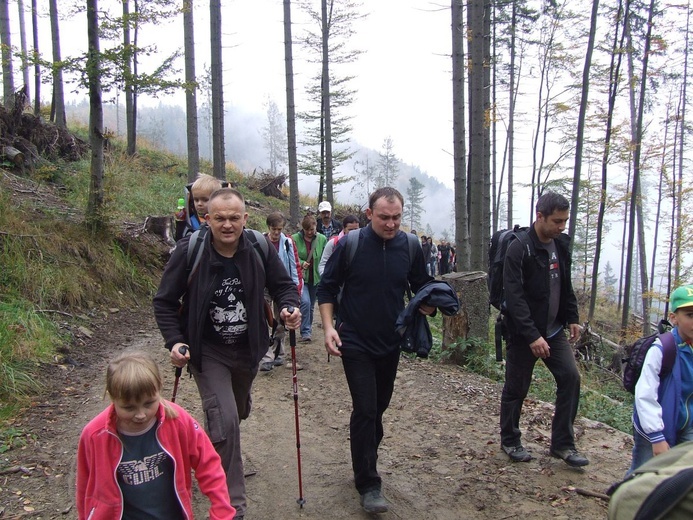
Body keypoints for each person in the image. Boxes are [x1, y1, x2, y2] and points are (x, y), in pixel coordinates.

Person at [153, 187, 301, 519]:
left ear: (245, 219)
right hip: (208, 351)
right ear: (207, 219)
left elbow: (283, 286)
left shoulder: (258, 248)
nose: (227, 225)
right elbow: (164, 301)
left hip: (248, 350)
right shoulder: (190, 250)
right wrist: (175, 341)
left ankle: (221, 431)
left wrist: (289, 307)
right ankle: (232, 505)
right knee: (226, 420)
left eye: (234, 218)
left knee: (237, 410)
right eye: (219, 218)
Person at [317, 187, 434, 514]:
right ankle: (368, 482)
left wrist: (430, 305)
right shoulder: (351, 245)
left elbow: (421, 286)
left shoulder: (410, 247)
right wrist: (328, 328)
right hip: (354, 340)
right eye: (384, 217)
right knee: (366, 409)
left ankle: (363, 456)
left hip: (390, 342)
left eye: (397, 217)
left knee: (378, 408)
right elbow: (326, 288)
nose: (392, 223)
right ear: (369, 214)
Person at [76, 350, 236, 520]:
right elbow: (85, 486)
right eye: (129, 408)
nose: (141, 415)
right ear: (112, 398)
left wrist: (222, 510)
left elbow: (209, 464)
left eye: (149, 403)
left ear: (159, 388)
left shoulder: (178, 421)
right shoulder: (95, 435)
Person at [499, 191, 587, 467]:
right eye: (557, 221)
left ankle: (562, 444)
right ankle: (510, 440)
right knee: (516, 388)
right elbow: (514, 298)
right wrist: (531, 335)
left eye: (565, 221)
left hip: (553, 330)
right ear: (540, 216)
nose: (562, 227)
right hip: (523, 333)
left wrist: (571, 316)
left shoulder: (560, 244)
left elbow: (565, 284)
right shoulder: (519, 248)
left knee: (570, 378)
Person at [628, 285, 693, 473]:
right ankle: (625, 498)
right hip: (654, 427)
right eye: (690, 315)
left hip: (687, 425)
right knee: (644, 471)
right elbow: (645, 394)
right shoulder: (662, 349)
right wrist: (656, 437)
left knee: (683, 473)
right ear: (674, 318)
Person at [259, 211, 303, 372]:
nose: (276, 232)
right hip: (263, 286)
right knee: (263, 319)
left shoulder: (288, 243)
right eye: (273, 228)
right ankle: (266, 356)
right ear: (268, 227)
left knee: (281, 319)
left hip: (281, 285)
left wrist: (296, 288)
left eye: (279, 229)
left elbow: (295, 264)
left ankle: (279, 352)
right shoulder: (261, 242)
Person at [292, 215, 327, 343]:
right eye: (308, 230)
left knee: (311, 305)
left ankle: (308, 330)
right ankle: (305, 331)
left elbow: (325, 257)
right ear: (303, 229)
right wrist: (301, 263)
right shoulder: (295, 239)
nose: (310, 232)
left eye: (312, 229)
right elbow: (292, 255)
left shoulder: (322, 239)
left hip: (315, 277)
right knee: (305, 303)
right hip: (302, 277)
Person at [174, 173, 223, 241]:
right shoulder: (191, 221)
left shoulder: (222, 220)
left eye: (205, 200)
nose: (199, 204)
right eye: (196, 200)